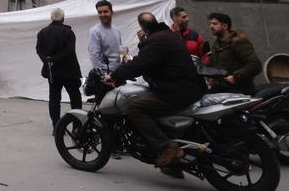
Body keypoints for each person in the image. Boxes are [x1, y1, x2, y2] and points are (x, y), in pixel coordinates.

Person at [108, 12, 204, 170]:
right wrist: (143, 43)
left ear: (142, 27)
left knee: (135, 109)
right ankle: (172, 166)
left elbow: (142, 63)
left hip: (175, 91)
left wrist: (115, 75)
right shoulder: (168, 35)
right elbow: (152, 58)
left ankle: (168, 147)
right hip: (186, 86)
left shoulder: (157, 39)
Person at [36, 6, 82, 131]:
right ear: (63, 19)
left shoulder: (42, 32)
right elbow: (69, 51)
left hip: (52, 72)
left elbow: (39, 49)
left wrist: (47, 60)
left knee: (54, 98)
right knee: (75, 98)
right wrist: (55, 59)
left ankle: (56, 127)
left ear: (51, 18)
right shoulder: (69, 33)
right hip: (69, 71)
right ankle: (76, 126)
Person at [205, 12, 262, 95]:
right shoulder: (216, 45)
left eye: (215, 24)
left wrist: (235, 77)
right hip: (221, 90)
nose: (211, 27)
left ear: (225, 26)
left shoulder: (238, 42)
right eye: (210, 24)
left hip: (239, 91)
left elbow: (255, 65)